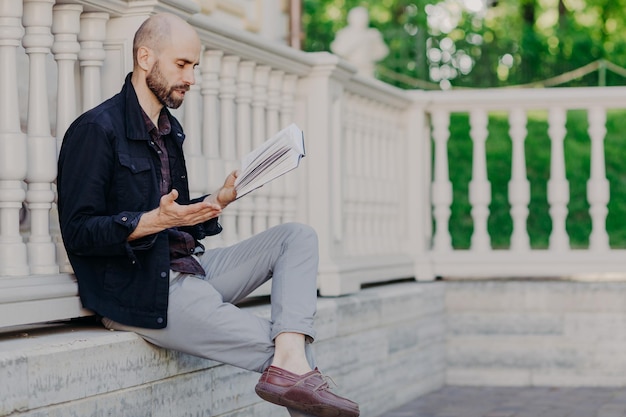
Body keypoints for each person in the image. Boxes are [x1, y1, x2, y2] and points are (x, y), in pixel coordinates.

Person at [57, 13, 359, 417]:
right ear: (145, 58)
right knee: (293, 361)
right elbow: (78, 231)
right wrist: (154, 222)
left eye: (194, 67)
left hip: (191, 267)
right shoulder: (96, 129)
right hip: (144, 290)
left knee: (297, 236)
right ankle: (288, 362)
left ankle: (288, 360)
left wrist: (217, 199)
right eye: (182, 65)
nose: (192, 78)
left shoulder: (169, 128)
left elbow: (174, 216)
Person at [330, 7, 389, 77]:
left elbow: (383, 52)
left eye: (364, 17)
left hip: (367, 70)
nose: (362, 20)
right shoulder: (344, 34)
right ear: (351, 18)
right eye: (359, 17)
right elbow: (338, 50)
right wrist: (357, 42)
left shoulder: (372, 34)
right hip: (349, 69)